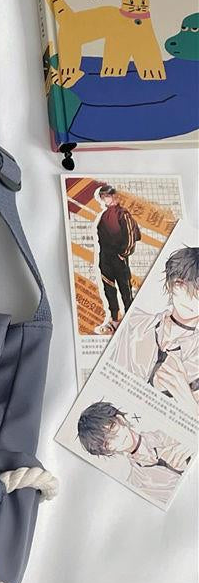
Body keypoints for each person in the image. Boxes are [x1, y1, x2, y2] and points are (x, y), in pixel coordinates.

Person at [108, 246, 199, 413]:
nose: (189, 297)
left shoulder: (195, 354)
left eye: (198, 290)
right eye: (180, 284)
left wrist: (190, 405)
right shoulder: (135, 322)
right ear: (171, 284)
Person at [77, 401, 191, 504]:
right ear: (107, 451)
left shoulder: (164, 432)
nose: (117, 438)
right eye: (107, 442)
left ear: (120, 419)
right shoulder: (136, 483)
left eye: (112, 427)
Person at [93, 184, 140, 335]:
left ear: (114, 196)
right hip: (105, 258)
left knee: (125, 289)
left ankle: (130, 320)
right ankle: (114, 319)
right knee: (109, 288)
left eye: (106, 196)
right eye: (102, 197)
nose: (104, 199)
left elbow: (131, 236)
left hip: (118, 258)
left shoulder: (123, 214)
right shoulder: (104, 215)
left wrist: (123, 254)